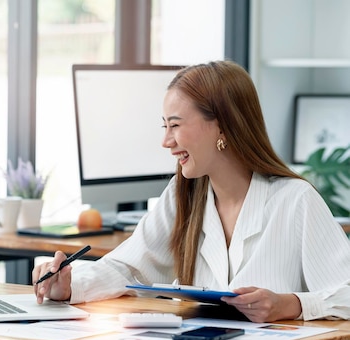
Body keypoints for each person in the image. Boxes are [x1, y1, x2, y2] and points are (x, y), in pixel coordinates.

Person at [33, 60, 350, 323]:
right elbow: (128, 267)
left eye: (176, 125)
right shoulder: (184, 194)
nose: (166, 141)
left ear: (222, 126)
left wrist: (290, 304)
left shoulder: (295, 200)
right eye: (164, 126)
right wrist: (68, 285)